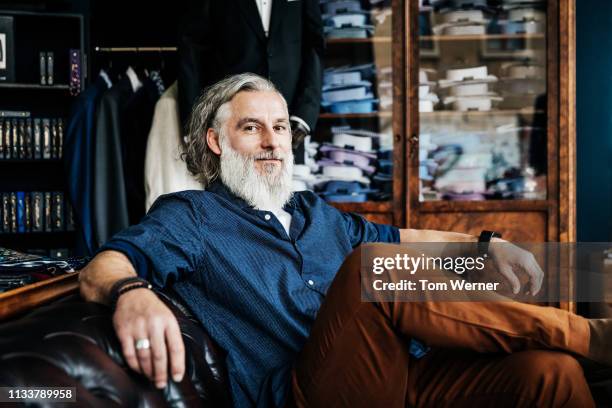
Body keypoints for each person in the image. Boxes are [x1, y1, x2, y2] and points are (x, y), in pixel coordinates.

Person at [80, 73, 612, 408]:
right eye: (252, 128)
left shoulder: (315, 212)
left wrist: (484, 244)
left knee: (549, 374)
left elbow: (406, 237)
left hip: (402, 372)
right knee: (369, 270)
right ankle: (591, 336)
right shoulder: (192, 216)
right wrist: (132, 293)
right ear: (216, 142)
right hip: (312, 392)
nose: (272, 142)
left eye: (282, 127)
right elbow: (102, 265)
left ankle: (571, 348)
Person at [177, 0, 323, 153]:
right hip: (229, 118)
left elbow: (314, 44)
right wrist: (192, 124)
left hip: (289, 120)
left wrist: (305, 113)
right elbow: (191, 49)